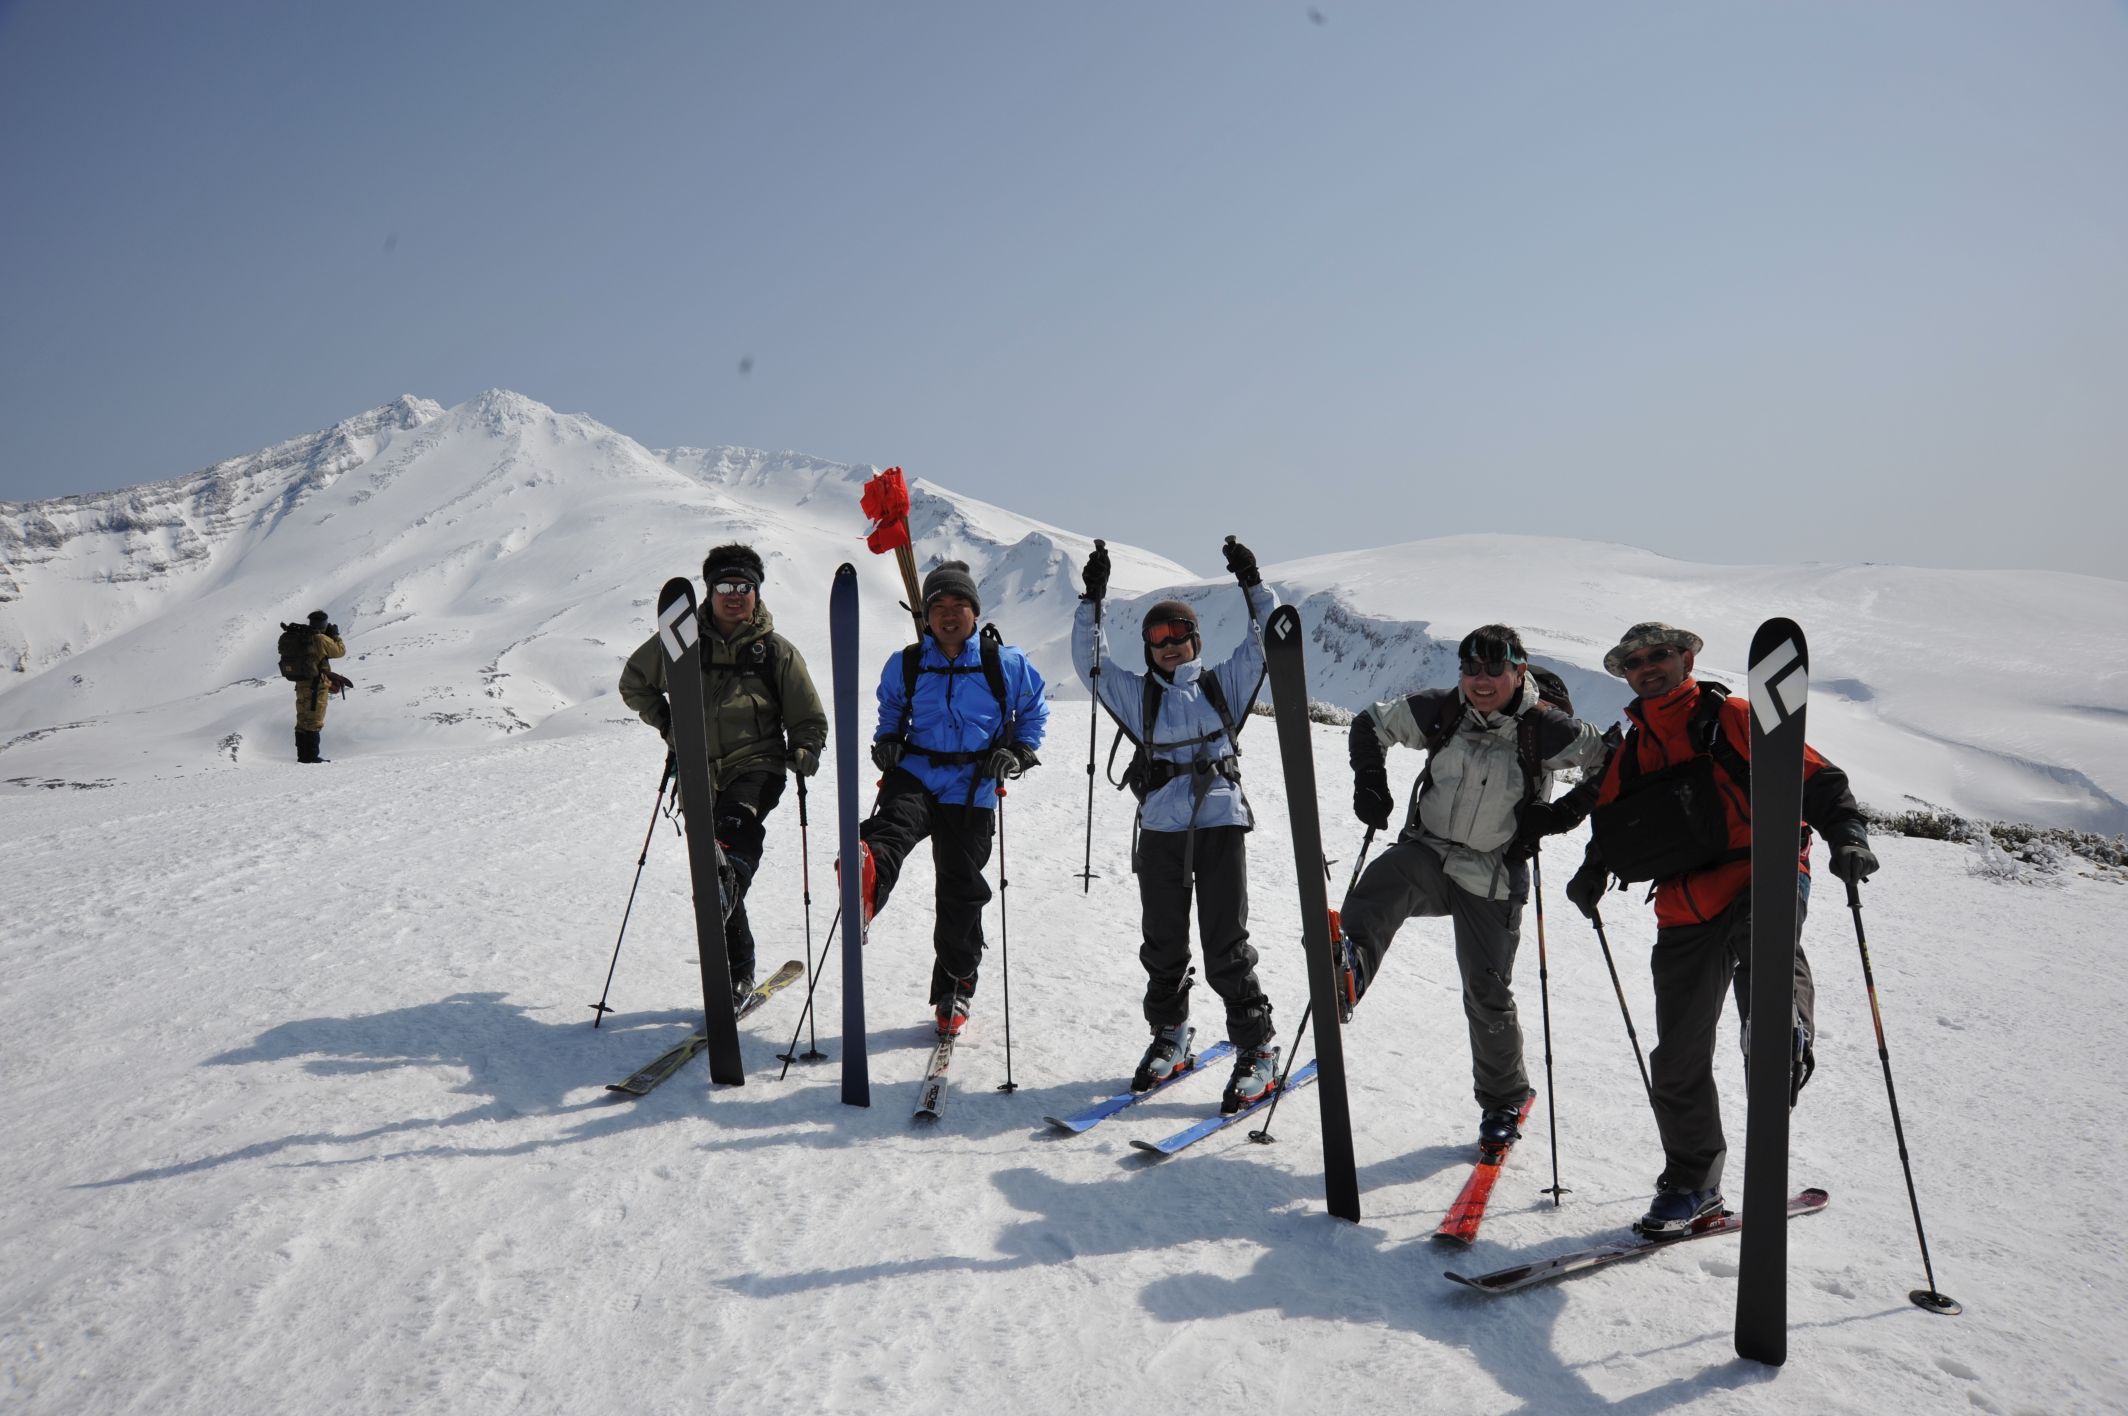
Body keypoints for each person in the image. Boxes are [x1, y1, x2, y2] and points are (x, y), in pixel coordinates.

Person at [1563, 621, 1877, 1236]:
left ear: (1686, 658)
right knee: (1677, 1055)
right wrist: (1592, 872)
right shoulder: (1632, 746)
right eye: (1634, 661)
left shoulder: (1731, 716)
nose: (1647, 666)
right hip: (1684, 904)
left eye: (1659, 655)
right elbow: (1616, 824)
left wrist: (1849, 835)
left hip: (1766, 870)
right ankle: (1692, 1183)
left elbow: (1818, 779)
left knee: (1767, 944)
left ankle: (1780, 1030)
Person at [1342, 624, 1610, 1148]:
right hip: (1430, 852)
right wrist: (1370, 779)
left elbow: (1614, 760)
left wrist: (1564, 814)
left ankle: (1504, 1100)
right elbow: (1371, 723)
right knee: (1385, 879)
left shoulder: (1546, 729)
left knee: (1487, 993)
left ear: (1519, 671)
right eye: (1470, 668)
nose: (1480, 680)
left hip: (1491, 874)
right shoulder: (1441, 710)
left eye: (1494, 669)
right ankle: (1346, 969)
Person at [1076, 538, 1283, 1114]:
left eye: (1179, 636)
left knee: (1225, 945)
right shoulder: (1135, 694)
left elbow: (1267, 642)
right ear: (1148, 647)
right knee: (1163, 944)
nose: (1169, 646)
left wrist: (1252, 581)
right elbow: (1088, 663)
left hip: (1220, 824)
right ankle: (1170, 1035)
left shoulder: (1223, 686)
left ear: (1196, 640)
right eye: (1158, 639)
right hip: (1162, 830)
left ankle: (1257, 1048)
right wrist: (1091, 599)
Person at [619, 544, 827, 1006]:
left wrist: (807, 748)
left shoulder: (775, 652)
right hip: (696, 771)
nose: (735, 596)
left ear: (757, 592)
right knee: (714, 873)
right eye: (725, 587)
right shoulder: (680, 641)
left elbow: (808, 716)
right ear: (710, 592)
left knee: (733, 837)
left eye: (744, 587)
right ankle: (737, 972)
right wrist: (668, 723)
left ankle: (725, 884)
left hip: (759, 764)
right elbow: (634, 682)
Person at [858, 559, 1049, 1036]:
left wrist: (1019, 752)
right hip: (917, 772)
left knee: (960, 888)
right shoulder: (906, 662)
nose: (947, 614)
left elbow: (1032, 711)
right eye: (938, 606)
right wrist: (887, 741)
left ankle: (956, 984)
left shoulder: (1003, 663)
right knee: (891, 830)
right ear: (925, 617)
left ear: (974, 612)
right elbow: (891, 711)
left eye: (958, 604)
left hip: (973, 784)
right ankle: (866, 882)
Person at [290, 610, 348, 764]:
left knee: (302, 719)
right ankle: (311, 757)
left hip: (301, 683)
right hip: (316, 685)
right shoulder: (320, 638)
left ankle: (302, 756)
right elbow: (340, 651)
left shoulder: (302, 636)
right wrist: (335, 636)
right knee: (314, 720)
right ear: (323, 623)